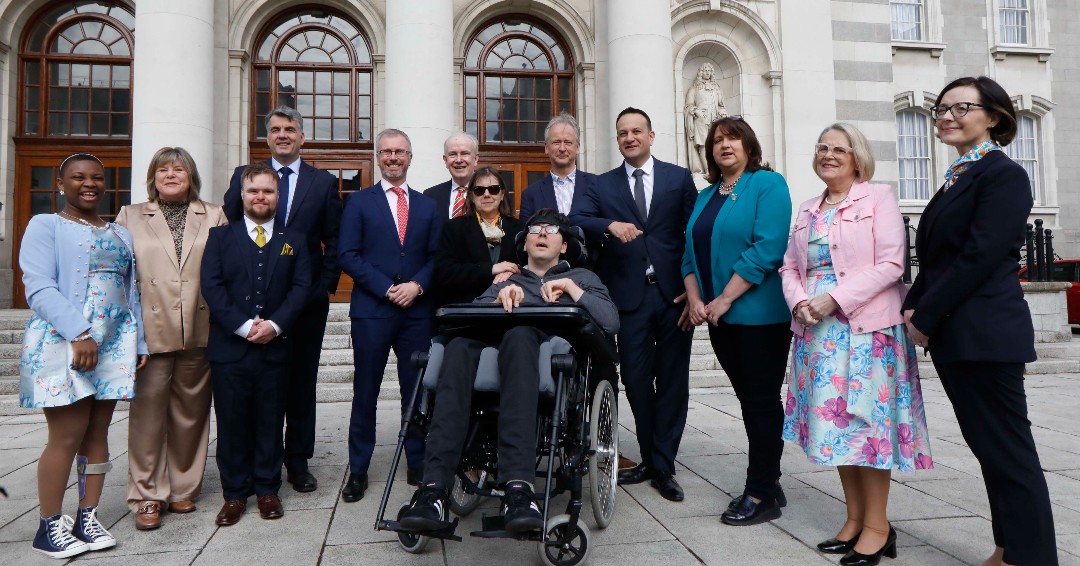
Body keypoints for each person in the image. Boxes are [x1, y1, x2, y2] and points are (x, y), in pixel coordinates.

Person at [903, 76, 1058, 566]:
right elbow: (939, 258)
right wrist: (913, 302)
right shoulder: (960, 174)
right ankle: (1008, 549)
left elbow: (980, 257)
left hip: (985, 334)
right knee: (990, 451)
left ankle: (1032, 558)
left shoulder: (1002, 174)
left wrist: (924, 316)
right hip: (959, 335)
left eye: (961, 107)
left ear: (993, 115)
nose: (946, 116)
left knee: (1009, 452)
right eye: (940, 110)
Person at [400, 209, 619, 534]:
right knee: (458, 346)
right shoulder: (507, 280)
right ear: (524, 243)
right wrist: (497, 299)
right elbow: (465, 320)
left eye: (551, 230)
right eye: (534, 229)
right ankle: (433, 490)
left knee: (519, 335)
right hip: (491, 356)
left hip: (544, 361)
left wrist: (571, 289)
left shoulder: (583, 277)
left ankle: (518, 489)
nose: (542, 234)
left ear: (564, 245)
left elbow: (610, 322)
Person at [780, 123, 933, 564]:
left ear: (856, 157)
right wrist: (801, 302)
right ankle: (853, 519)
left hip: (867, 332)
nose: (828, 155)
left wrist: (833, 299)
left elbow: (891, 263)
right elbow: (790, 268)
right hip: (818, 334)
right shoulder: (808, 208)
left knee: (868, 429)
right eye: (822, 147)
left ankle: (879, 527)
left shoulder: (877, 197)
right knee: (836, 430)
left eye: (838, 150)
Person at [19, 153, 148, 558]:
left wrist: (138, 343)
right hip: (66, 341)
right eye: (78, 177)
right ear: (61, 184)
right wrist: (79, 332)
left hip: (112, 343)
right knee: (67, 434)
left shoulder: (120, 233)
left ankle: (87, 517)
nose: (88, 184)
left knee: (97, 434)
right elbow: (38, 286)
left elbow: (132, 293)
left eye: (96, 178)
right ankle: (49, 526)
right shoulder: (46, 225)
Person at [570, 107, 697, 502]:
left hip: (673, 295)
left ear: (651, 135)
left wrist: (697, 291)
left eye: (636, 131)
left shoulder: (678, 178)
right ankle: (650, 456)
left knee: (673, 382)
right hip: (628, 300)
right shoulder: (603, 185)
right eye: (623, 132)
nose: (629, 138)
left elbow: (695, 233)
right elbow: (575, 217)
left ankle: (663, 465)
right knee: (637, 381)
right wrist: (609, 225)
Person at [223, 105, 342, 494]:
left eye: (290, 129)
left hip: (306, 302)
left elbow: (334, 239)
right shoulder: (245, 178)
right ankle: (262, 461)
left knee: (301, 383)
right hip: (255, 302)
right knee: (261, 384)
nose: (283, 135)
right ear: (268, 136)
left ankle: (298, 461)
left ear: (302, 136)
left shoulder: (322, 183)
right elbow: (229, 230)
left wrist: (324, 286)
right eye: (275, 129)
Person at [680, 116, 792, 526]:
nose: (724, 145)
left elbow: (768, 248)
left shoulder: (767, 184)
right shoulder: (706, 194)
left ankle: (761, 492)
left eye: (733, 138)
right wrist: (695, 299)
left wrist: (725, 298)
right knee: (749, 403)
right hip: (717, 316)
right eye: (717, 140)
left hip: (759, 316)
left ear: (749, 145)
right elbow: (689, 253)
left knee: (761, 402)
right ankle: (770, 479)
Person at [116, 147, 227, 531]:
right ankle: (146, 495)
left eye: (178, 169)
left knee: (191, 415)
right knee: (147, 418)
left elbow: (226, 268)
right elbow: (121, 277)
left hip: (200, 328)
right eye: (163, 169)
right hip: (150, 333)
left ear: (191, 175)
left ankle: (183, 488)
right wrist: (126, 334)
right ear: (153, 176)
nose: (171, 174)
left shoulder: (212, 214)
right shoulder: (130, 215)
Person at [201, 163, 312, 526]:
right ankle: (234, 494)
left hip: (276, 350)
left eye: (268, 191)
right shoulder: (220, 238)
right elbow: (213, 288)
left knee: (270, 420)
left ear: (278, 197)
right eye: (254, 191)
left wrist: (276, 325)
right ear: (243, 196)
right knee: (231, 423)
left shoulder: (294, 240)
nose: (260, 197)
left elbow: (301, 289)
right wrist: (245, 326)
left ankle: (267, 489)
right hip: (230, 350)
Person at [338, 128, 441, 502]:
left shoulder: (428, 206)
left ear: (410, 158)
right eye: (386, 152)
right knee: (365, 391)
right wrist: (385, 287)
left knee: (416, 391)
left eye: (400, 152)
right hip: (372, 310)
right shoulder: (359, 203)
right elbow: (347, 254)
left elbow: (435, 257)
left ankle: (416, 461)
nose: (393, 157)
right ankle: (359, 470)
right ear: (377, 157)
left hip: (417, 312)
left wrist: (417, 286)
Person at [433, 166, 523, 306]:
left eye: (493, 189)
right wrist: (491, 269)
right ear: (471, 196)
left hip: (510, 310)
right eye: (479, 190)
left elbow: (530, 268)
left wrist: (514, 271)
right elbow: (445, 273)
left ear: (502, 194)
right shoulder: (453, 228)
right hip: (467, 310)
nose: (487, 194)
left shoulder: (520, 229)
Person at [518, 113, 597, 219]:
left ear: (577, 148)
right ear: (546, 148)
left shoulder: (597, 185)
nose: (562, 148)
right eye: (556, 142)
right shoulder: (530, 195)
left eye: (568, 142)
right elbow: (527, 234)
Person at [684, 62, 727, 176]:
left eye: (709, 70)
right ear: (701, 72)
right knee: (703, 144)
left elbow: (721, 106)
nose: (707, 73)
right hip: (701, 120)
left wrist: (723, 113)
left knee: (717, 143)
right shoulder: (694, 88)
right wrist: (696, 111)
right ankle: (708, 170)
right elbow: (688, 105)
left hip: (715, 120)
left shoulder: (717, 88)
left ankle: (718, 170)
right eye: (705, 70)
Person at [425, 132, 480, 219]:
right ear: (445, 160)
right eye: (452, 154)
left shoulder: (491, 193)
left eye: (464, 153)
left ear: (476, 159)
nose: (458, 160)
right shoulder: (430, 196)